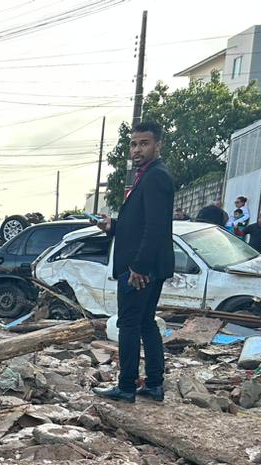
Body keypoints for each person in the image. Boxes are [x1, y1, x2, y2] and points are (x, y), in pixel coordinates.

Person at [93, 120, 174, 404]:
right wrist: (113, 226)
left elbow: (155, 227)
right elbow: (139, 223)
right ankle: (153, 384)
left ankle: (126, 386)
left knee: (129, 324)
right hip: (148, 265)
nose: (137, 149)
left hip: (140, 268)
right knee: (145, 323)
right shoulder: (147, 175)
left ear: (158, 145)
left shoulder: (155, 177)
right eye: (134, 144)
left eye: (144, 143)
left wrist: (139, 267)